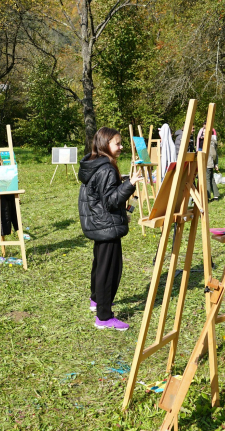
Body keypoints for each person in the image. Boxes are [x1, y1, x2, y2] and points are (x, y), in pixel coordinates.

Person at [78, 127, 142, 330]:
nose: (121, 146)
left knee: (100, 265)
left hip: (100, 224)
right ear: (106, 144)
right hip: (106, 226)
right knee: (110, 270)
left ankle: (96, 300)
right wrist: (130, 183)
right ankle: (104, 317)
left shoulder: (95, 164)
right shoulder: (106, 169)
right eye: (118, 143)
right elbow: (111, 200)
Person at [206, 130, 220, 201]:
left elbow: (214, 154)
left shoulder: (209, 142)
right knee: (211, 179)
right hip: (210, 162)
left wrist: (214, 163)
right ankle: (216, 196)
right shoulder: (213, 141)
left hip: (208, 163)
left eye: (204, 132)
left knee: (207, 180)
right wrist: (215, 163)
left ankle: (207, 197)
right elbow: (215, 154)